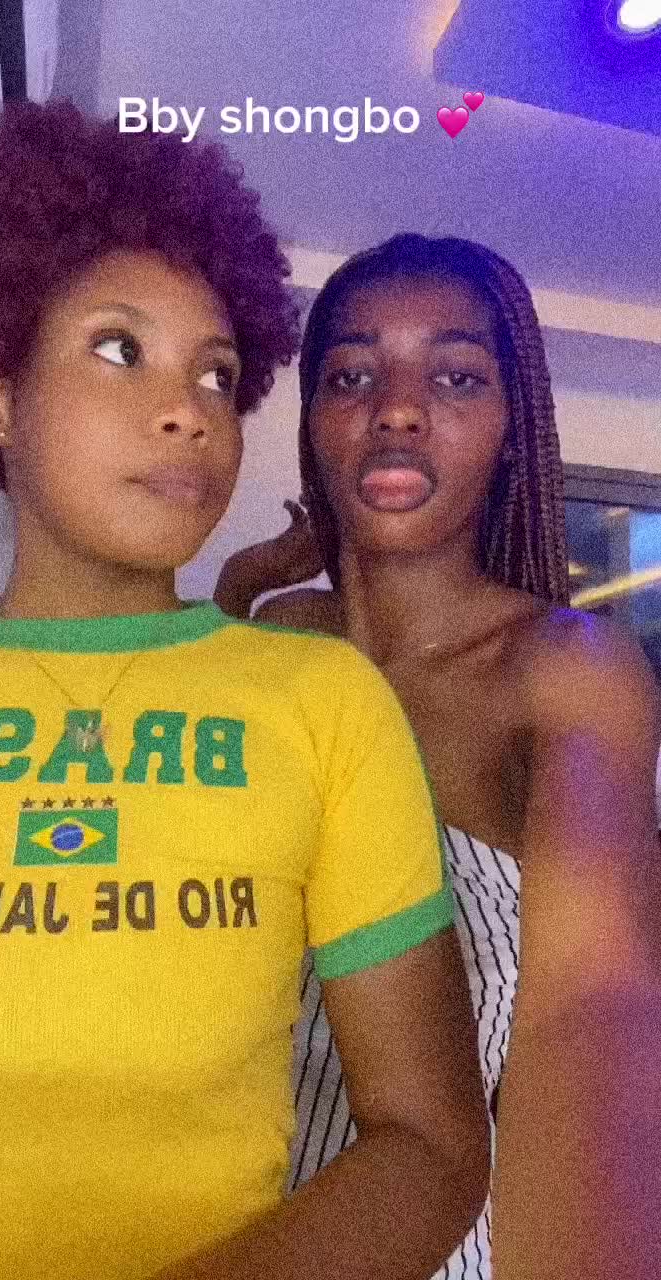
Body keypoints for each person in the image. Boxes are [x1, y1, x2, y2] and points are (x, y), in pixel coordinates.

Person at [0, 108, 489, 1280]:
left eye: (217, 372)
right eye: (119, 348)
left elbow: (432, 1144)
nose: (190, 406)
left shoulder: (321, 702)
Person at [215, 233, 661, 1280]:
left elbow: (590, 1025)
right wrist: (253, 572)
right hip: (218, 1222)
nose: (398, 409)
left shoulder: (565, 669)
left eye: (456, 377)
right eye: (351, 376)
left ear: (510, 431)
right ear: (315, 422)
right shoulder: (281, 640)